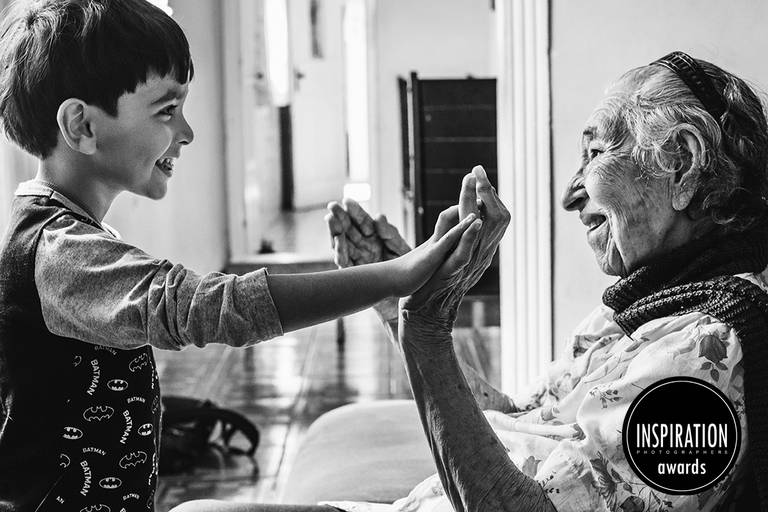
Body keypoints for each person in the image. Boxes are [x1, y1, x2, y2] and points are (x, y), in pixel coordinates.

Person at [168, 53, 768, 512]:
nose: (571, 194)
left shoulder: (709, 355)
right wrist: (398, 299)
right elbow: (517, 416)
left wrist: (425, 334)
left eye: (595, 153)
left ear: (683, 166)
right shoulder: (660, 302)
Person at [0, 1, 484, 511]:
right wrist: (395, 276)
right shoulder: (58, 253)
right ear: (82, 126)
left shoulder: (62, 232)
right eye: (167, 111)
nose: (186, 132)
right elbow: (207, 306)